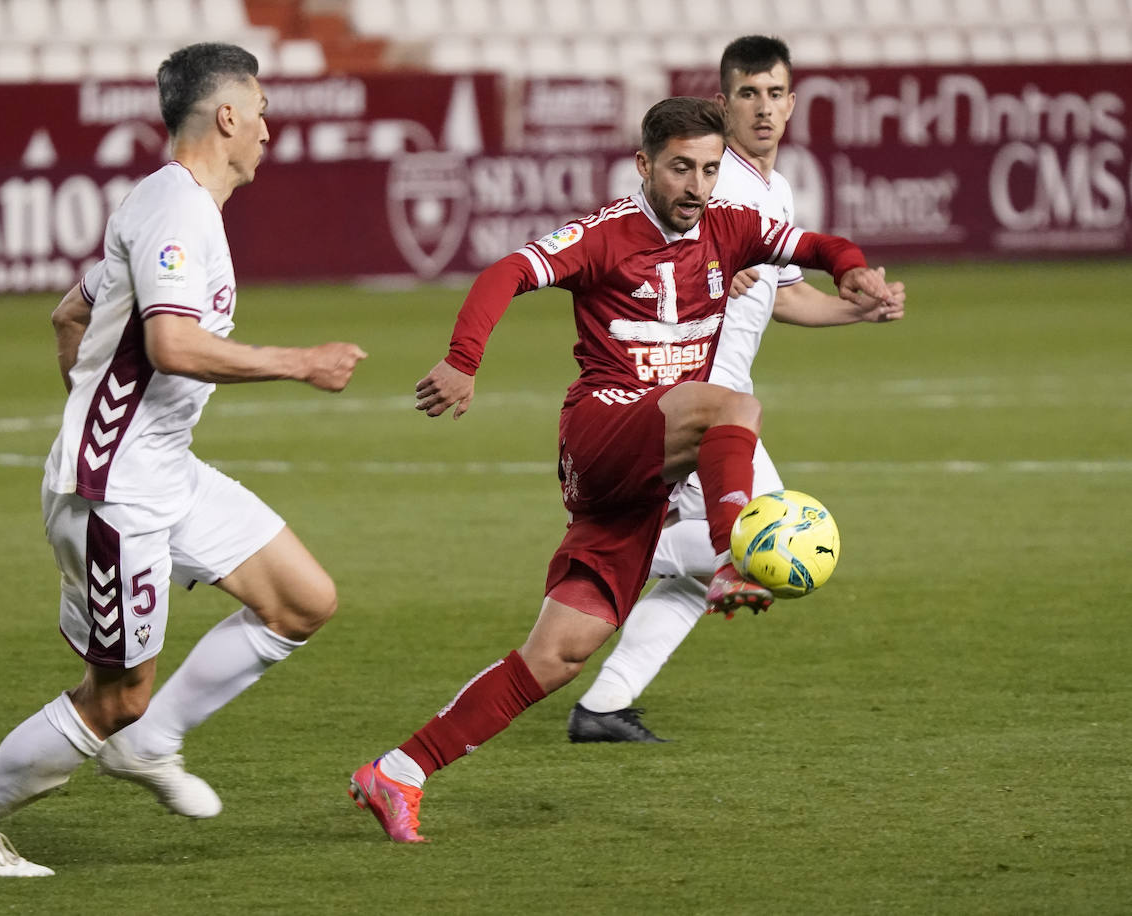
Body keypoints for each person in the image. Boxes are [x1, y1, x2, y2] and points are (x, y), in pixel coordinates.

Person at [347, 95, 901, 843]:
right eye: (680, 168)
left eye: (710, 169)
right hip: (602, 428)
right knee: (734, 406)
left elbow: (821, 245)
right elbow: (506, 272)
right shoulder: (605, 234)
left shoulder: (731, 227)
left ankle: (399, 772)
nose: (697, 186)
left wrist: (855, 272)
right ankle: (731, 553)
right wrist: (463, 360)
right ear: (644, 164)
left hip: (643, 481)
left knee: (558, 656)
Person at [0, 42, 367, 877]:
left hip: (161, 468)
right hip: (117, 495)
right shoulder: (179, 213)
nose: (268, 128)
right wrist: (300, 362)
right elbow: (171, 344)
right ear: (226, 116)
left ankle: (152, 741)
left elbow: (69, 315)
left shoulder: (169, 203)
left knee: (302, 600)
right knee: (115, 695)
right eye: (260, 111)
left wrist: (94, 412)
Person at [567, 35, 906, 744]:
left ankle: (603, 705)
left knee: (721, 569)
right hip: (693, 397)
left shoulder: (773, 190)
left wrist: (860, 308)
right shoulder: (716, 185)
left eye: (775, 93)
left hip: (725, 397)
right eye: (748, 94)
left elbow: (786, 296)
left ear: (793, 103)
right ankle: (604, 551)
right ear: (724, 105)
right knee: (776, 548)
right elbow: (666, 259)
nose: (763, 108)